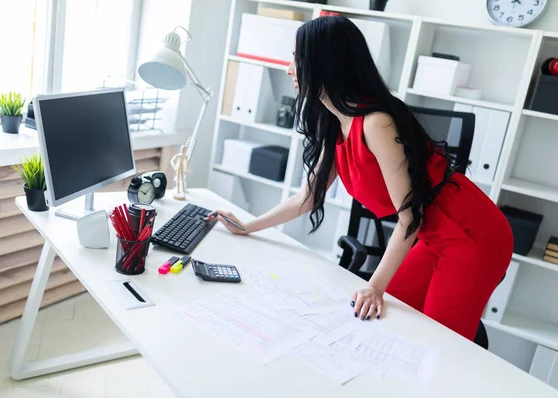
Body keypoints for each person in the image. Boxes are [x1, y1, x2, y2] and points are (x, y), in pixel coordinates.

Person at [206, 16, 513, 342]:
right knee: (389, 321)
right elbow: (309, 196)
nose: (289, 68)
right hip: (430, 233)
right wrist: (247, 226)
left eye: (296, 58)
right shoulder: (335, 119)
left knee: (438, 343)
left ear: (324, 62)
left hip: (470, 233)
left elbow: (410, 216)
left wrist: (374, 286)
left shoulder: (375, 123)